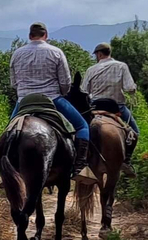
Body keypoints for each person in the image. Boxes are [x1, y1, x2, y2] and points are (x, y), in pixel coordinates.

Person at [9, 22, 89, 172]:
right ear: (46, 35)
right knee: (82, 126)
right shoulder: (56, 52)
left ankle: (9, 168)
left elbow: (14, 83)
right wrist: (62, 93)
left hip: (24, 101)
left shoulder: (17, 54)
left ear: (30, 36)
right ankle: (80, 166)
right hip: (52, 99)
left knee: (8, 132)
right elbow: (65, 82)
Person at [83, 42, 139, 171]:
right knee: (135, 132)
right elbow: (129, 87)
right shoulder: (121, 66)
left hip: (95, 106)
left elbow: (84, 91)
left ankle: (81, 160)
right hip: (117, 107)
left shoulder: (91, 70)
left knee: (80, 129)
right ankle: (127, 160)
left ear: (100, 54)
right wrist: (133, 89)